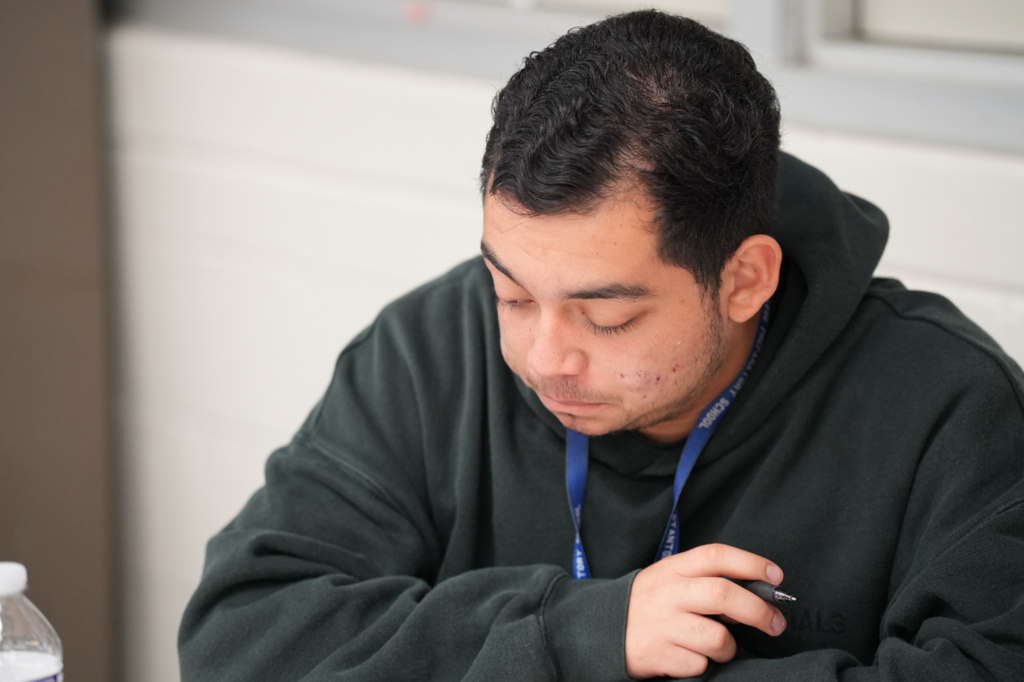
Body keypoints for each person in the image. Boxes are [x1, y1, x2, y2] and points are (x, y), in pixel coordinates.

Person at [178, 10, 1024, 681]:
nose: (545, 356)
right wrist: (579, 636)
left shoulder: (948, 406)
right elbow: (240, 639)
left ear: (745, 280)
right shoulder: (426, 350)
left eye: (606, 317)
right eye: (511, 292)